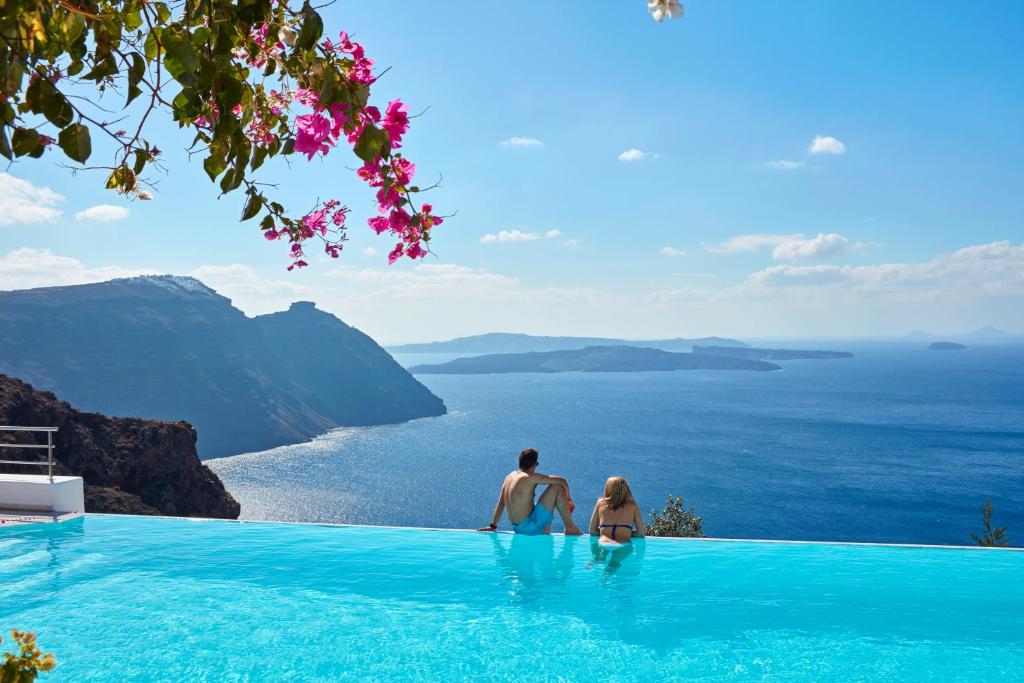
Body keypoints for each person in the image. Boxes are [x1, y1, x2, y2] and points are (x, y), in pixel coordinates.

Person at [477, 448, 584, 535]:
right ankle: (570, 527)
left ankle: (545, 529)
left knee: (537, 504)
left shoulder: (509, 477)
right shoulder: (529, 477)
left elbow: (501, 504)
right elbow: (562, 481)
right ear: (533, 465)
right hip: (530, 528)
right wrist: (569, 499)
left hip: (518, 528)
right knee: (557, 488)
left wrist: (493, 526)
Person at [589, 476, 645, 544]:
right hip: (623, 542)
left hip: (604, 542)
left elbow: (592, 531)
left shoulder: (600, 503)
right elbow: (641, 533)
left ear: (608, 488)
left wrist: (604, 533)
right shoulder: (632, 505)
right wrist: (627, 533)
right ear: (626, 490)